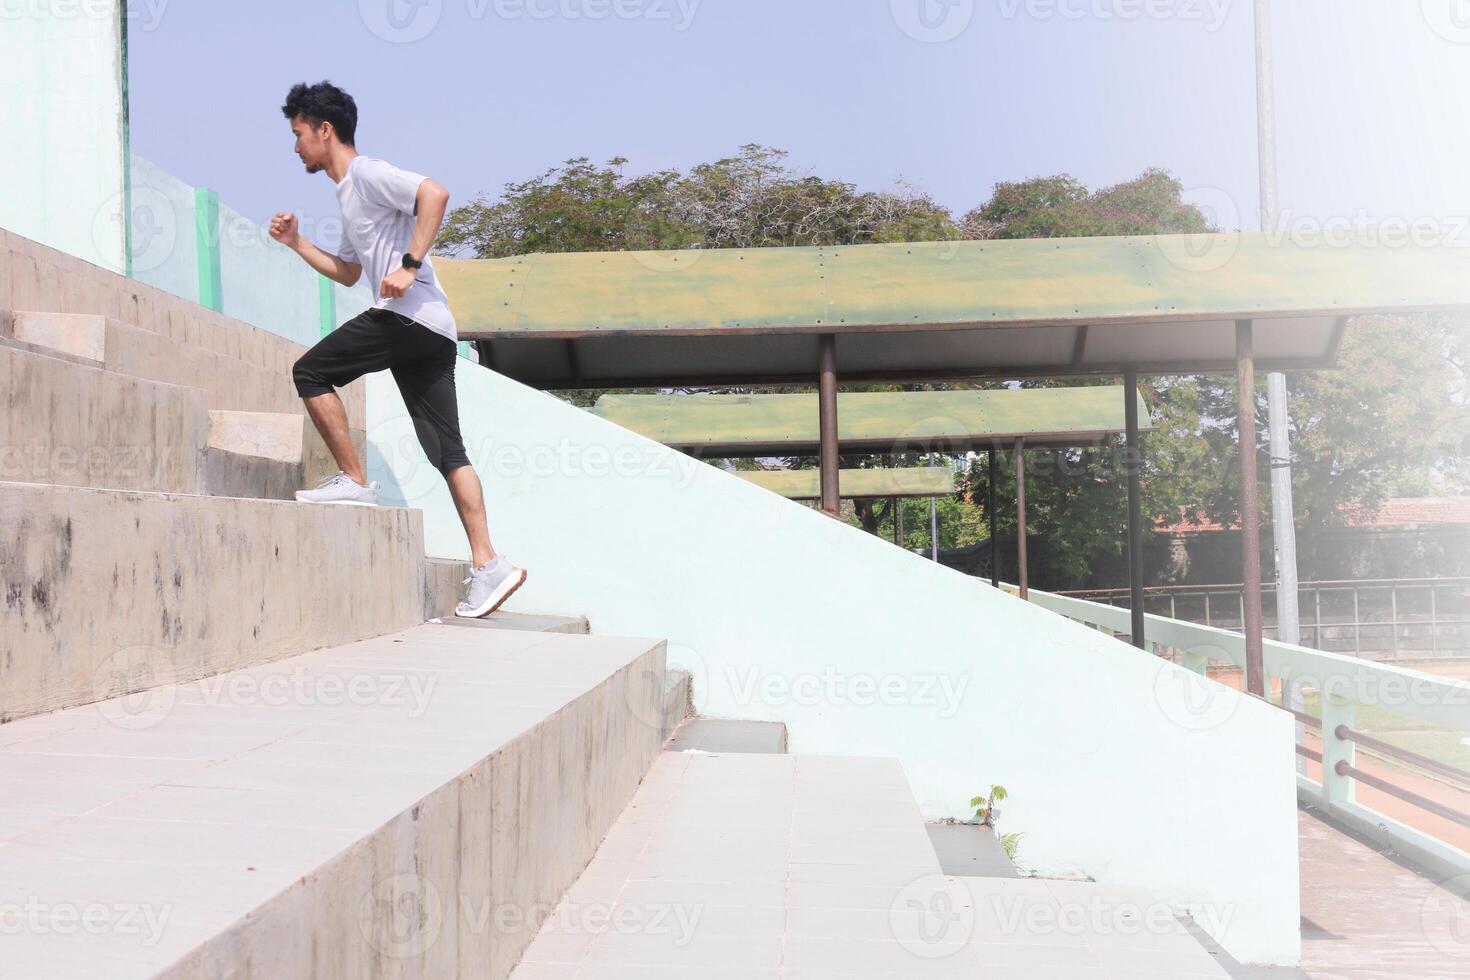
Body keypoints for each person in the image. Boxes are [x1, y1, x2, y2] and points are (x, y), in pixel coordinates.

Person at [269, 80, 525, 619]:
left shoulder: (366, 173)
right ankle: (490, 566)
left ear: (325, 130)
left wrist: (409, 265)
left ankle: (355, 481)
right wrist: (297, 243)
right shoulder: (348, 194)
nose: (295, 147)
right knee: (447, 452)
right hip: (433, 328)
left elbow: (435, 193)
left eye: (298, 134)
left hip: (408, 316)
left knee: (310, 372)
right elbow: (348, 272)